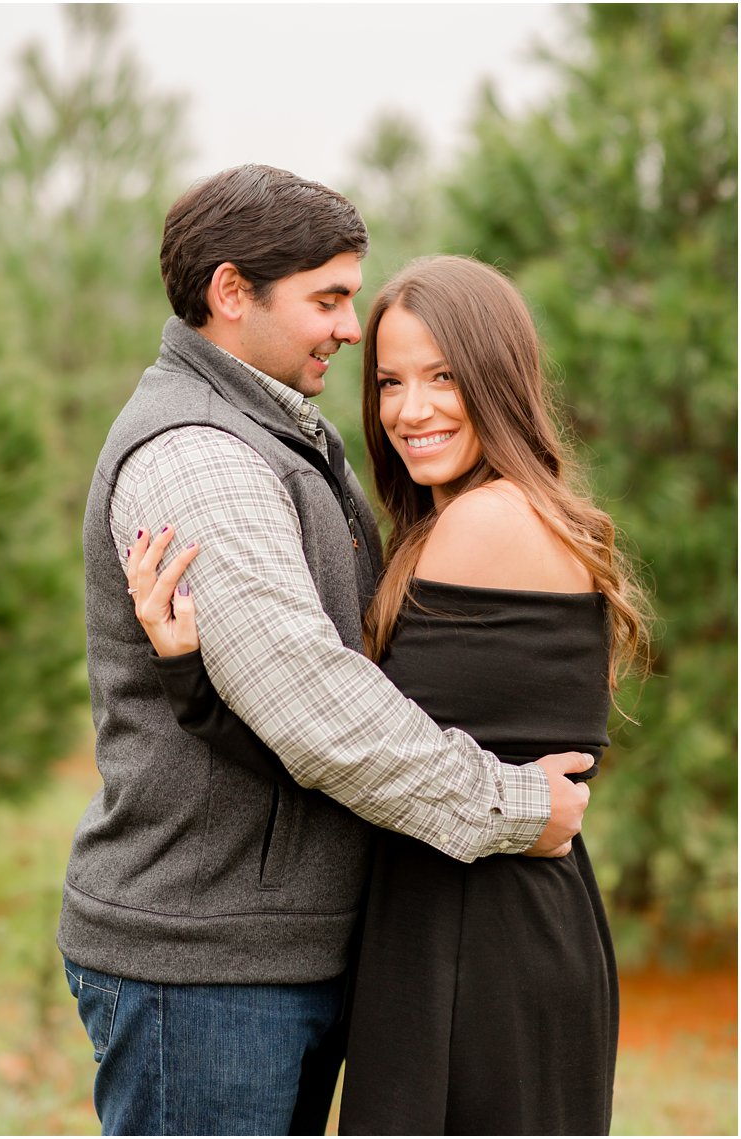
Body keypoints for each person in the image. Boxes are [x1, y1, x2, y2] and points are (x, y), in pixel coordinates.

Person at [59, 165, 597, 1136]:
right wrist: (517, 803)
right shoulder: (199, 453)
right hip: (208, 960)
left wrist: (195, 677)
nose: (348, 330)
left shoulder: (288, 439)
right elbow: (313, 705)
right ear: (231, 293)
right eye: (329, 299)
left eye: (435, 374)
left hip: (313, 950)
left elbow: (342, 679)